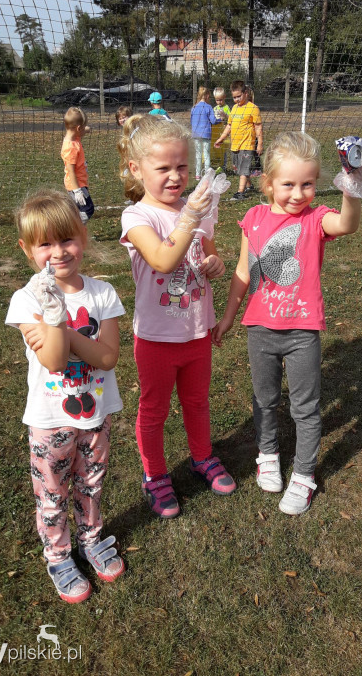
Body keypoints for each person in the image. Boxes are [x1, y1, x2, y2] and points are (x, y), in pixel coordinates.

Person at [212, 132, 362, 515]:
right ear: (268, 183)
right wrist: (228, 317)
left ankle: (303, 475)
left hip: (303, 332)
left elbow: (347, 224)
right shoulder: (253, 217)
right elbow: (242, 271)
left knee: (305, 406)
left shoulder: (318, 219)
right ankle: (267, 454)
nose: (299, 193)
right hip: (260, 330)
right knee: (265, 399)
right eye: (288, 184)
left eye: (308, 183)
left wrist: (353, 188)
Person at [6, 189, 126, 603]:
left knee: (91, 483)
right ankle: (58, 554)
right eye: (45, 244)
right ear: (27, 249)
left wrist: (64, 329)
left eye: (67, 239)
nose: (58, 252)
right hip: (50, 419)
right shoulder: (26, 300)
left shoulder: (102, 293)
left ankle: (91, 538)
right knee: (53, 492)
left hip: (96, 414)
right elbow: (55, 362)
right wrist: (53, 315)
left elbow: (107, 357)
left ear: (83, 237)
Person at [118, 114, 236, 519]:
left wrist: (216, 262)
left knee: (197, 402)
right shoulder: (137, 217)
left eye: (182, 166)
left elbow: (208, 250)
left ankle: (202, 457)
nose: (175, 176)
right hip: (155, 337)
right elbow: (164, 260)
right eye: (163, 168)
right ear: (136, 169)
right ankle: (155, 476)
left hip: (196, 331)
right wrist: (190, 217)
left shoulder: (197, 208)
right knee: (154, 410)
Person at [214, 79, 263, 201]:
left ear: (245, 93)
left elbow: (258, 126)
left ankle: (240, 193)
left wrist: (260, 143)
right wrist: (221, 138)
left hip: (247, 144)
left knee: (244, 168)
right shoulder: (234, 109)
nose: (236, 100)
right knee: (238, 168)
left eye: (239, 96)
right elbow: (229, 126)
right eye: (234, 97)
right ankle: (249, 185)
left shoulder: (253, 108)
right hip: (235, 144)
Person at [61, 106, 94, 224]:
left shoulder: (75, 137)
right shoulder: (70, 148)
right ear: (78, 128)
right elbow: (71, 171)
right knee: (88, 209)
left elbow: (83, 131)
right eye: (83, 127)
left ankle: (76, 231)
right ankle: (73, 229)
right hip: (76, 185)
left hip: (80, 182)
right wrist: (77, 191)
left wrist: (87, 128)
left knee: (78, 209)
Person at [191, 86, 219, 181]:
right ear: (207, 95)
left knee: (198, 155)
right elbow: (213, 121)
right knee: (206, 154)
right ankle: (207, 174)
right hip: (206, 134)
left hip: (196, 134)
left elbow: (192, 121)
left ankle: (197, 175)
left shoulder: (194, 107)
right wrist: (221, 119)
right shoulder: (208, 107)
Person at [212, 87, 231, 173]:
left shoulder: (226, 107)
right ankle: (217, 163)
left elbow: (230, 119)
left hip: (224, 130)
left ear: (225, 97)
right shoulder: (215, 108)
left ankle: (223, 166)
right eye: (217, 100)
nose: (219, 102)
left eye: (221, 100)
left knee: (223, 149)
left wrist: (225, 115)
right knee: (217, 148)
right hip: (216, 131)